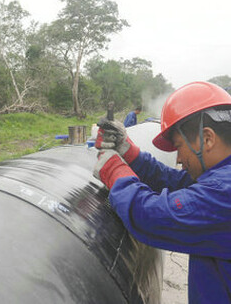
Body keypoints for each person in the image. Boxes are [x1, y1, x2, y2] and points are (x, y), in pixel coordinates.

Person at [93, 81, 231, 303]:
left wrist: (114, 170)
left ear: (207, 139)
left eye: (178, 146)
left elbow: (149, 215)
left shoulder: (224, 192)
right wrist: (128, 151)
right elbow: (174, 180)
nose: (177, 159)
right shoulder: (220, 176)